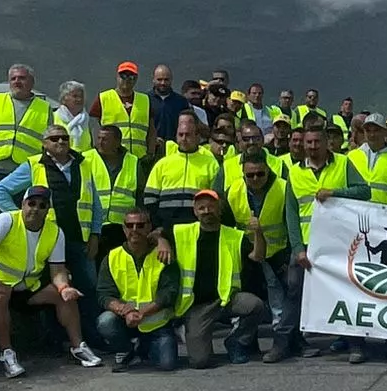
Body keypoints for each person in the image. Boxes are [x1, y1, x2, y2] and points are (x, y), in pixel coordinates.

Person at [0, 185, 103, 378]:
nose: (36, 209)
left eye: (42, 205)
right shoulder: (7, 220)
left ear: (48, 210)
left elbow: (57, 270)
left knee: (64, 296)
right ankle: (7, 354)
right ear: (23, 204)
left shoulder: (55, 232)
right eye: (32, 203)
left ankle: (78, 346)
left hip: (23, 286)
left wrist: (63, 287)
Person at [155, 189, 268, 368]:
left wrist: (258, 233)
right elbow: (155, 234)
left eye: (211, 207)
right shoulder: (181, 232)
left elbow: (258, 256)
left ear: (219, 208)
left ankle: (236, 341)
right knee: (200, 362)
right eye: (201, 208)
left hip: (226, 299)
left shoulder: (234, 235)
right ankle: (188, 329)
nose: (206, 211)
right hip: (197, 305)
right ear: (195, 211)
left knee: (256, 305)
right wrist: (162, 241)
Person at [292, 119, 372, 360]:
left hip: (340, 243)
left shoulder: (344, 163)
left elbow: (364, 191)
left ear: (328, 144)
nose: (313, 146)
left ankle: (355, 344)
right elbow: (291, 213)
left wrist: (336, 193)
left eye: (318, 142)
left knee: (347, 291)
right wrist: (297, 248)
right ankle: (295, 341)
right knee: (295, 289)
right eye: (309, 142)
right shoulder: (295, 172)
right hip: (307, 245)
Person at [0, 64, 52, 253]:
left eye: (22, 78)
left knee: (22, 221)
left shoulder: (44, 108)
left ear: (31, 82)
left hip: (23, 175)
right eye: (13, 78)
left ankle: (12, 260)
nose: (17, 82)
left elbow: (48, 144)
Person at [228, 151, 303, 362]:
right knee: (248, 301)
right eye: (249, 175)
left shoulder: (283, 186)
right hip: (247, 254)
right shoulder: (233, 190)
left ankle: (286, 342)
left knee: (282, 301)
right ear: (243, 173)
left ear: (267, 170)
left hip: (278, 252)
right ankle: (244, 343)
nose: (255, 179)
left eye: (259, 174)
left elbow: (291, 220)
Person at [94, 208, 180, 370]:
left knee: (167, 364)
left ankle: (143, 347)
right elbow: (104, 294)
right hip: (125, 321)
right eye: (130, 225)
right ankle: (126, 349)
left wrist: (142, 313)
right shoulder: (112, 257)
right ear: (124, 228)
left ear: (149, 227)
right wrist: (124, 310)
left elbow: (169, 293)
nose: (134, 230)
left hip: (156, 324)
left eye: (140, 225)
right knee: (105, 321)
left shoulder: (163, 253)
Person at [145, 114, 221, 232]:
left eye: (188, 135)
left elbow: (216, 199)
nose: (184, 139)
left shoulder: (210, 163)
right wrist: (157, 225)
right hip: (166, 226)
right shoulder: (163, 163)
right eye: (181, 135)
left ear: (197, 137)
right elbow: (150, 199)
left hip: (197, 226)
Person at [81, 122, 142, 261]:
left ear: (117, 142)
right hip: (94, 227)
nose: (100, 142)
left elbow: (140, 195)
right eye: (99, 138)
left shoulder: (133, 161)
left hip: (123, 228)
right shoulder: (86, 159)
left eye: (105, 139)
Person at [349, 113, 387, 205]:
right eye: (368, 131)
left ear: (385, 132)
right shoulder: (352, 156)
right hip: (356, 213)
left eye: (376, 130)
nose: (372, 134)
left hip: (385, 214)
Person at [98, 63, 153, 161]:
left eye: (131, 76)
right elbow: (94, 127)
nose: (126, 79)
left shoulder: (145, 100)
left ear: (136, 79)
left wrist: (150, 153)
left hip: (140, 158)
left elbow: (151, 130)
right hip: (112, 157)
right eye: (123, 76)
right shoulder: (104, 98)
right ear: (117, 77)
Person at [53, 80, 93, 154]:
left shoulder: (87, 119)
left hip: (85, 162)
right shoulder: (53, 117)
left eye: (81, 96)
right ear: (64, 98)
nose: (79, 99)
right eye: (75, 96)